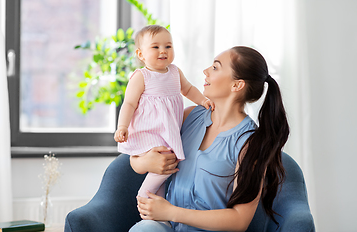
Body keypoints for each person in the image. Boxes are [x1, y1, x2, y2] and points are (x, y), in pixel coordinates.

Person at [128, 46, 290, 231]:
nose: (205, 71)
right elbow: (136, 154)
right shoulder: (188, 117)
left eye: (215, 67)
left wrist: (171, 212)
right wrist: (146, 162)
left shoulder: (249, 142)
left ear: (237, 85)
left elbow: (239, 220)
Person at [114, 25, 214, 198]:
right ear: (140, 54)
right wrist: (122, 126)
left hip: (166, 131)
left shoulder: (175, 72)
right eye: (155, 47)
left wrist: (203, 100)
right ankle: (144, 194)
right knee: (167, 161)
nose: (163, 51)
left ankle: (155, 209)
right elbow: (129, 103)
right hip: (149, 131)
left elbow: (188, 89)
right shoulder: (141, 76)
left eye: (168, 46)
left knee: (163, 172)